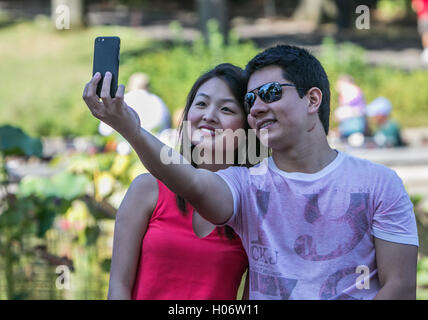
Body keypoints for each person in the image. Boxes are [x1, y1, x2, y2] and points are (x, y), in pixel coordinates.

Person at [83, 45, 418, 300]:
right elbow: (194, 184)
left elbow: (400, 287)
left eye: (270, 93)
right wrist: (130, 128)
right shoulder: (244, 186)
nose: (258, 106)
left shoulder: (378, 183)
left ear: (312, 100)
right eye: (251, 99)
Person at [85, 64, 252, 299]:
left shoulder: (253, 208)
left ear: (247, 127)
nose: (209, 115)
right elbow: (119, 286)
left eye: (226, 109)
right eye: (201, 104)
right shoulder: (147, 191)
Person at [98, 72, 172, 154]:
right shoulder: (159, 102)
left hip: (126, 152)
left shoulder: (123, 100)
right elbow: (167, 127)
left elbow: (105, 131)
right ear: (148, 86)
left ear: (130, 85)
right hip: (155, 151)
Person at [333, 74, 368, 143]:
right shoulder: (349, 92)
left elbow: (357, 110)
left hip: (354, 126)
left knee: (355, 144)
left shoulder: (352, 90)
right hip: (348, 126)